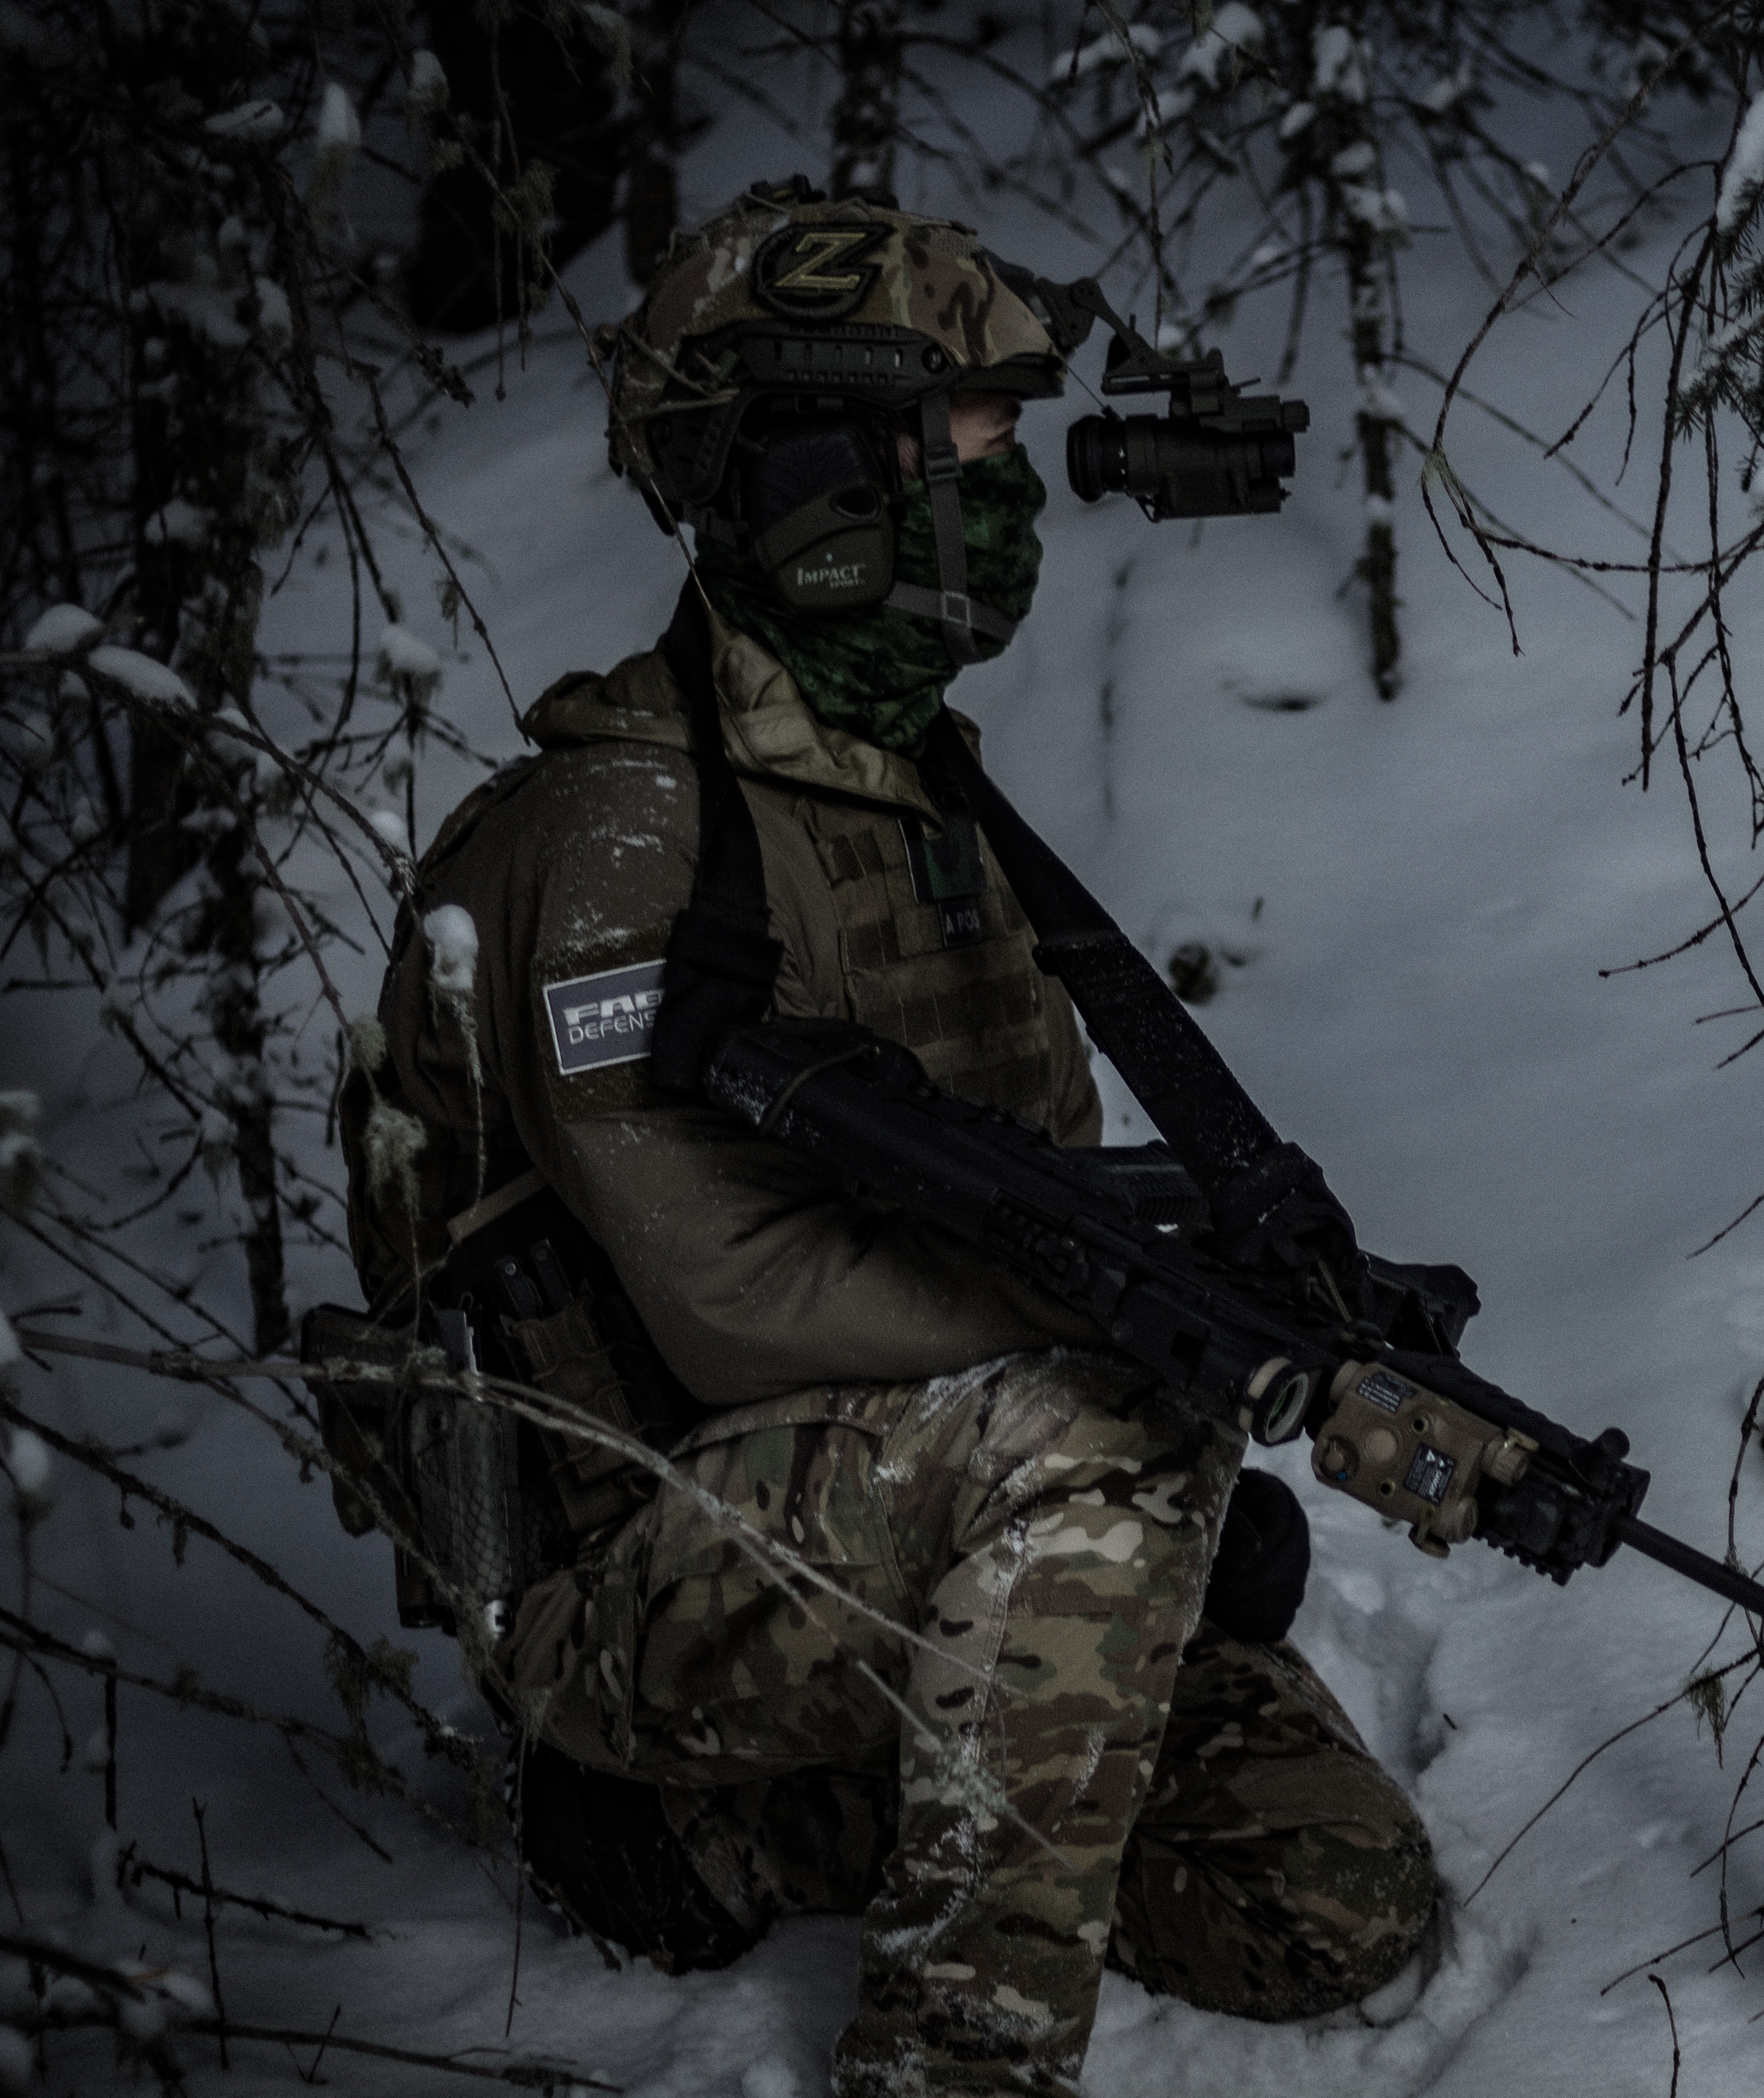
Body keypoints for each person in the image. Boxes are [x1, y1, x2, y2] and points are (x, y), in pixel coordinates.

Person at [338, 177, 1437, 2097]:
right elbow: (731, 1306)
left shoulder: (923, 809)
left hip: (884, 1529)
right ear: (808, 475)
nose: (1005, 500)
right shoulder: (614, 843)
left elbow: (1028, 1179)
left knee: (1325, 1894)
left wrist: (1234, 1325)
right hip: (626, 1592)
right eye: (967, 446)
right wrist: (1143, 1357)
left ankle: (760, 1840)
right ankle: (941, 2056)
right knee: (1098, 1429)